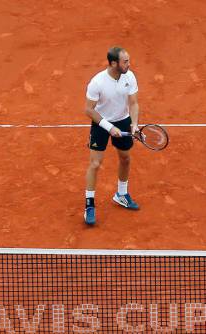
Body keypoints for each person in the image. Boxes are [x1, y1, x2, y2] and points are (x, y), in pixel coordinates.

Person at [83, 46, 141, 226]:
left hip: (123, 120)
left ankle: (121, 194)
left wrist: (134, 124)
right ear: (114, 63)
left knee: (125, 159)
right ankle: (89, 205)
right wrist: (109, 127)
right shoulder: (97, 82)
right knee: (95, 163)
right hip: (101, 123)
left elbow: (134, 103)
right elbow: (88, 110)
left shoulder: (129, 76)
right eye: (125, 62)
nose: (129, 64)